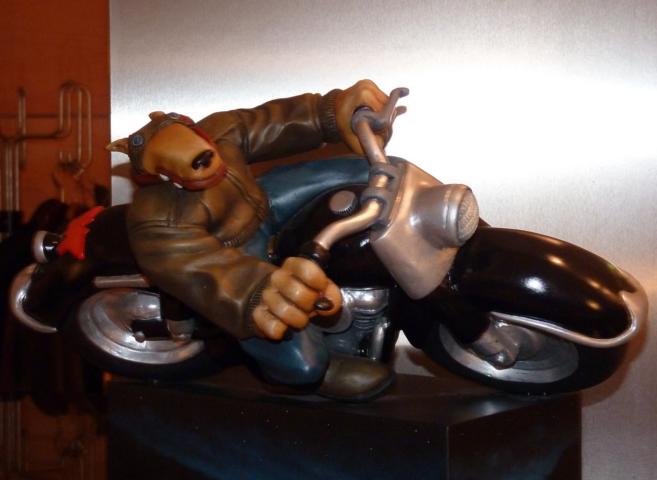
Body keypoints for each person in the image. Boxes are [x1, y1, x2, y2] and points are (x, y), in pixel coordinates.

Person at [107, 80, 394, 400]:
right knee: (301, 364)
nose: (204, 162)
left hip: (267, 200)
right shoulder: (156, 216)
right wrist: (255, 293)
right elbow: (194, 264)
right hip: (235, 253)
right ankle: (314, 371)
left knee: (377, 174)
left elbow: (270, 123)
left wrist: (329, 112)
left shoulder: (219, 131)